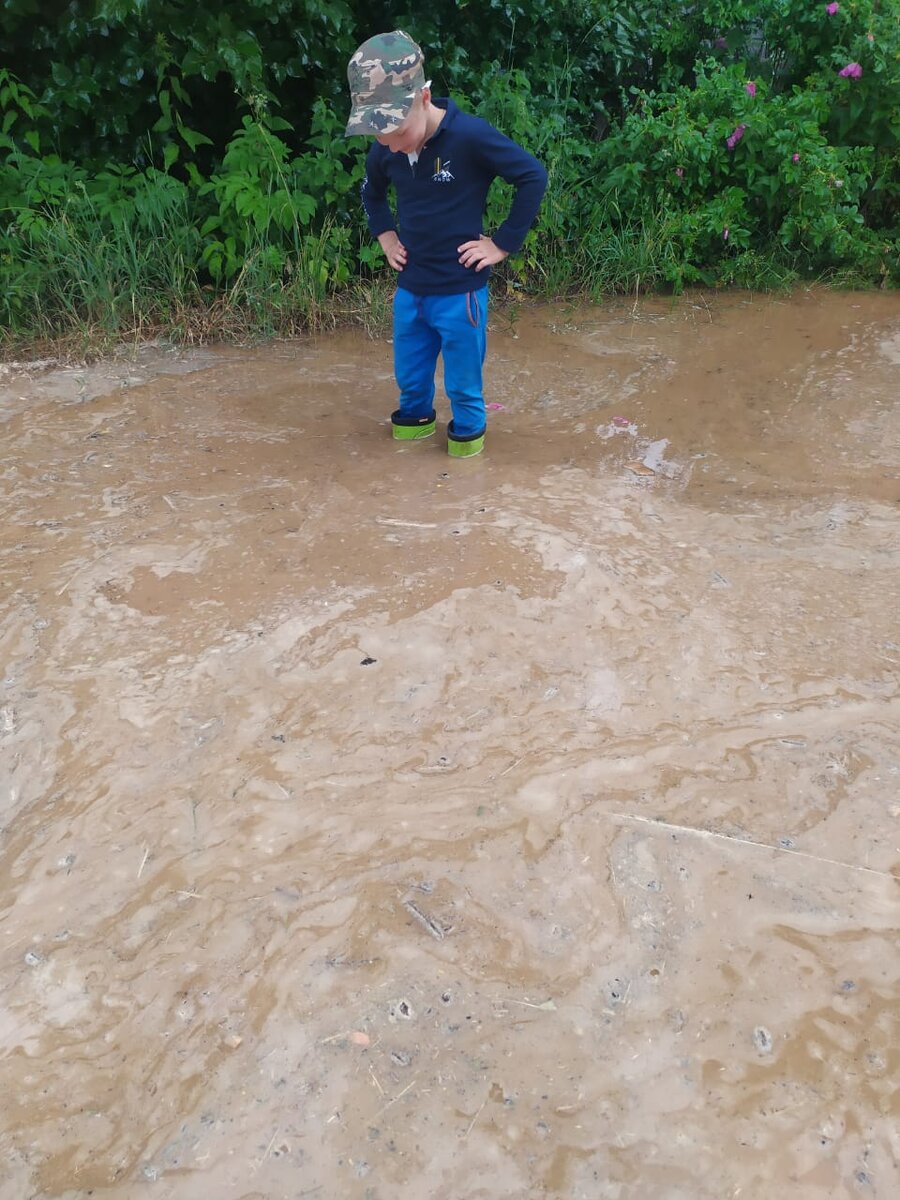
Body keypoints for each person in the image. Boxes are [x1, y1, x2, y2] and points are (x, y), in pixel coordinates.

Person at [345, 30, 548, 458]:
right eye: (379, 136)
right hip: (411, 288)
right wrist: (385, 235)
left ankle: (468, 453)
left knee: (462, 383)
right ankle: (415, 430)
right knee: (410, 378)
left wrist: (502, 244)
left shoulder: (470, 137)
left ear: (424, 97)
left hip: (461, 292)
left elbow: (532, 176)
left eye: (396, 132)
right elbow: (371, 193)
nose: (390, 145)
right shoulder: (385, 149)